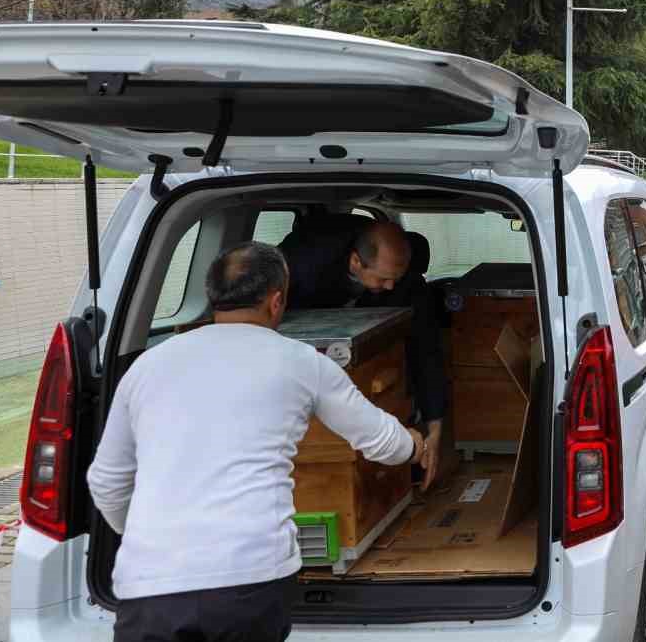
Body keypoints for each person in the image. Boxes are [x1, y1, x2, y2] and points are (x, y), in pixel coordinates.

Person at [88, 242, 422, 642]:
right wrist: (417, 444)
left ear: (214, 298)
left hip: (148, 590)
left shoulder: (146, 366)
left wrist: (152, 541)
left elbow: (107, 482)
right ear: (277, 301)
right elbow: (384, 443)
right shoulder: (303, 362)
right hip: (250, 582)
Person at [280, 217, 446, 488]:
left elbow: (426, 352)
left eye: (396, 279)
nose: (390, 287)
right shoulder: (301, 266)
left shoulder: (408, 284)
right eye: (383, 279)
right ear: (356, 262)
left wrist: (435, 431)